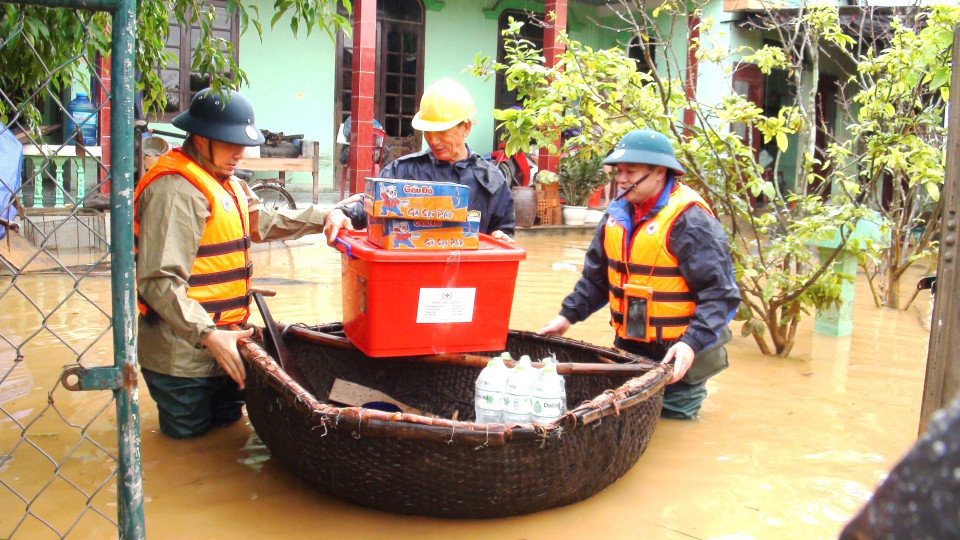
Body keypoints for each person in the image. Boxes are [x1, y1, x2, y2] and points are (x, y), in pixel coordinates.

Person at [134, 88, 331, 439]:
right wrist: (209, 334)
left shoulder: (228, 183)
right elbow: (158, 281)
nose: (239, 153)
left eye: (242, 143)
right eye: (228, 142)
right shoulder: (177, 191)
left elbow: (264, 223)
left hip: (228, 344)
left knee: (228, 440)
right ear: (199, 137)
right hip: (183, 358)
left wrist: (331, 215)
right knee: (188, 452)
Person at [537, 129, 740, 419]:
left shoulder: (690, 220)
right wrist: (565, 317)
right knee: (628, 420)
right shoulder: (616, 214)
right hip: (632, 348)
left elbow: (720, 295)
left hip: (681, 352)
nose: (620, 179)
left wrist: (691, 344)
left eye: (630, 171)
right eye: (618, 171)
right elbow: (597, 279)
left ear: (659, 172)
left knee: (673, 424)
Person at [324, 78, 515, 244]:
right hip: (412, 274)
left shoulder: (492, 181)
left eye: (441, 131)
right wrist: (343, 212)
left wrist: (502, 236)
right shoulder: (402, 171)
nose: (433, 140)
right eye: (428, 131)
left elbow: (504, 232)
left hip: (465, 277)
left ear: (465, 128)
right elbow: (371, 206)